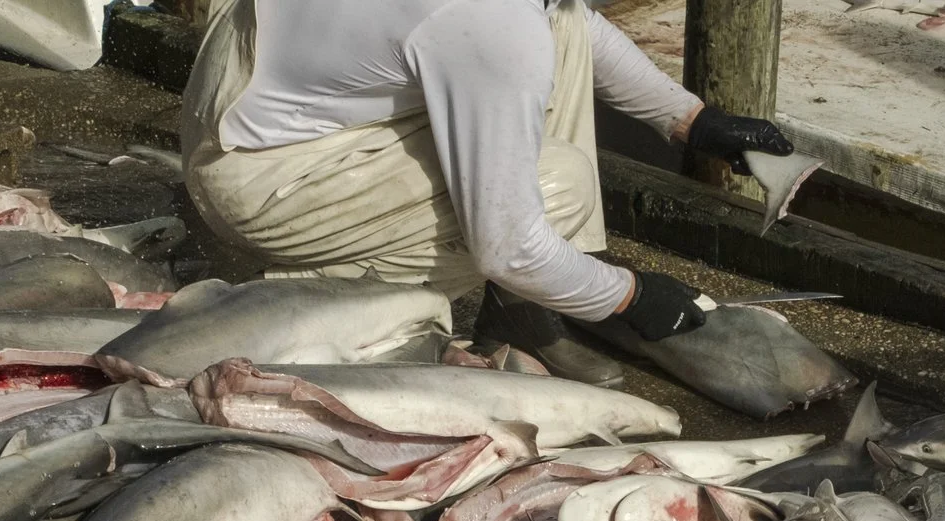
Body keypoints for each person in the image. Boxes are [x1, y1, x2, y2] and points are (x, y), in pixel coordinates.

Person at [180, 0, 795, 383]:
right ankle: (320, 313)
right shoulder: (486, 22)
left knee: (562, 25)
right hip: (260, 175)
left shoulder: (499, 19)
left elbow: (567, 23)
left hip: (265, 91)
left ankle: (526, 308)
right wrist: (632, 297)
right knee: (557, 185)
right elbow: (509, 249)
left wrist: (692, 121)